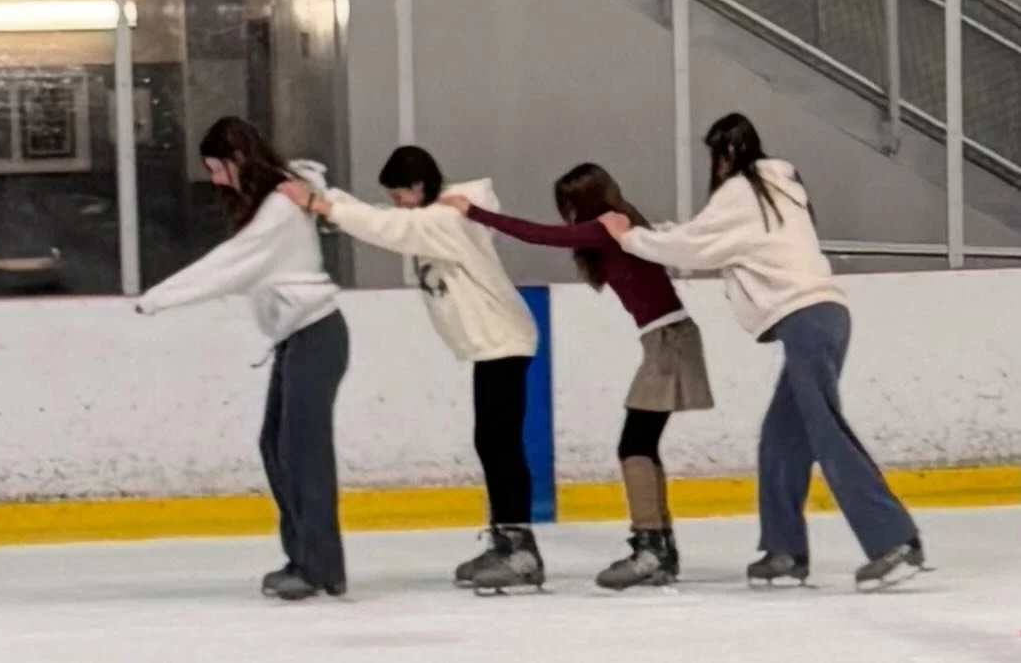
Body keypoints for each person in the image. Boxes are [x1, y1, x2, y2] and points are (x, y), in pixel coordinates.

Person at [598, 113, 925, 592]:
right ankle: (785, 552)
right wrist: (652, 232)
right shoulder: (779, 186)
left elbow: (693, 246)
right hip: (821, 317)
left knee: (826, 433)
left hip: (806, 319)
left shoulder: (740, 192)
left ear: (724, 154)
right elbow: (707, 235)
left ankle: (895, 542)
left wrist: (626, 236)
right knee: (781, 439)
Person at [277, 146, 544, 593]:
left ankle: (520, 550)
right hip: (493, 344)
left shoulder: (447, 220)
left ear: (418, 187)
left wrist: (321, 205)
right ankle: (506, 541)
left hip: (504, 340)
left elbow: (390, 227)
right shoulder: (431, 216)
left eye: (400, 194)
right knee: (491, 441)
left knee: (500, 444)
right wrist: (322, 190)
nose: (396, 202)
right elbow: (382, 217)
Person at [440, 161, 713, 589]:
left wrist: (474, 213)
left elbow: (540, 235)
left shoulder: (606, 227)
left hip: (670, 342)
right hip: (665, 340)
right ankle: (658, 547)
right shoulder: (617, 224)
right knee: (640, 443)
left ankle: (652, 550)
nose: (566, 214)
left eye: (568, 204)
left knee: (635, 444)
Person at [135, 116, 349, 602]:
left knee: (301, 452)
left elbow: (229, 265)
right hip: (298, 337)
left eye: (215, 167)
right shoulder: (277, 199)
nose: (213, 179)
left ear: (236, 160)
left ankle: (320, 567)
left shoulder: (278, 208)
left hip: (317, 334)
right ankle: (305, 558)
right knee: (276, 445)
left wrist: (160, 297)